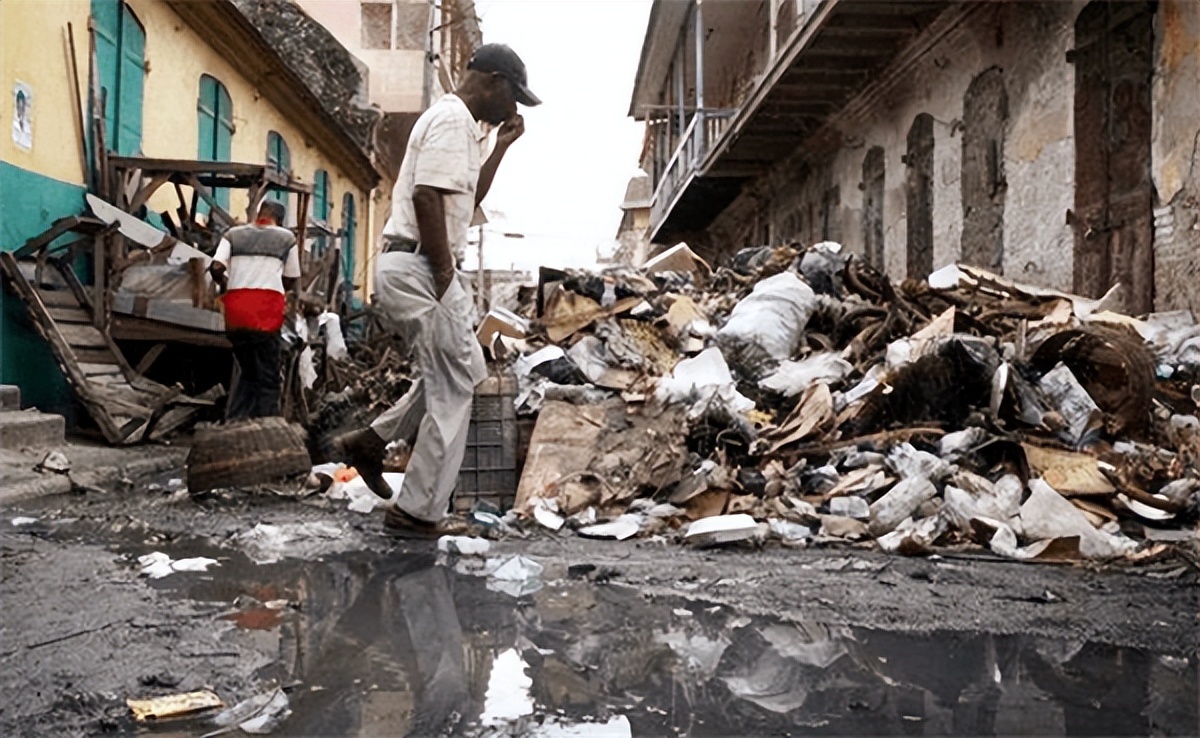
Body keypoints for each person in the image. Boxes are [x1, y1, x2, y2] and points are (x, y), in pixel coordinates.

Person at [336, 43, 540, 536]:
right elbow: (427, 196)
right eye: (514, 96)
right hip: (421, 265)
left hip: (419, 264)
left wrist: (504, 146)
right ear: (492, 81)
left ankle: (372, 439)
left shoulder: (468, 130)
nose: (514, 108)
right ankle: (417, 512)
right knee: (454, 387)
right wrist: (445, 272)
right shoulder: (451, 121)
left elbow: (467, 199)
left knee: (462, 369)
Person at [209, 200, 300, 419]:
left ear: (259, 214)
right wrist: (279, 288)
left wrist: (224, 284)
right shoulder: (286, 238)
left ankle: (237, 423)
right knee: (268, 377)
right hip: (266, 314)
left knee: (247, 373)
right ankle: (267, 427)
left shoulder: (233, 234)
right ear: (279, 219)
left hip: (236, 314)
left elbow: (215, 267)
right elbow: (291, 278)